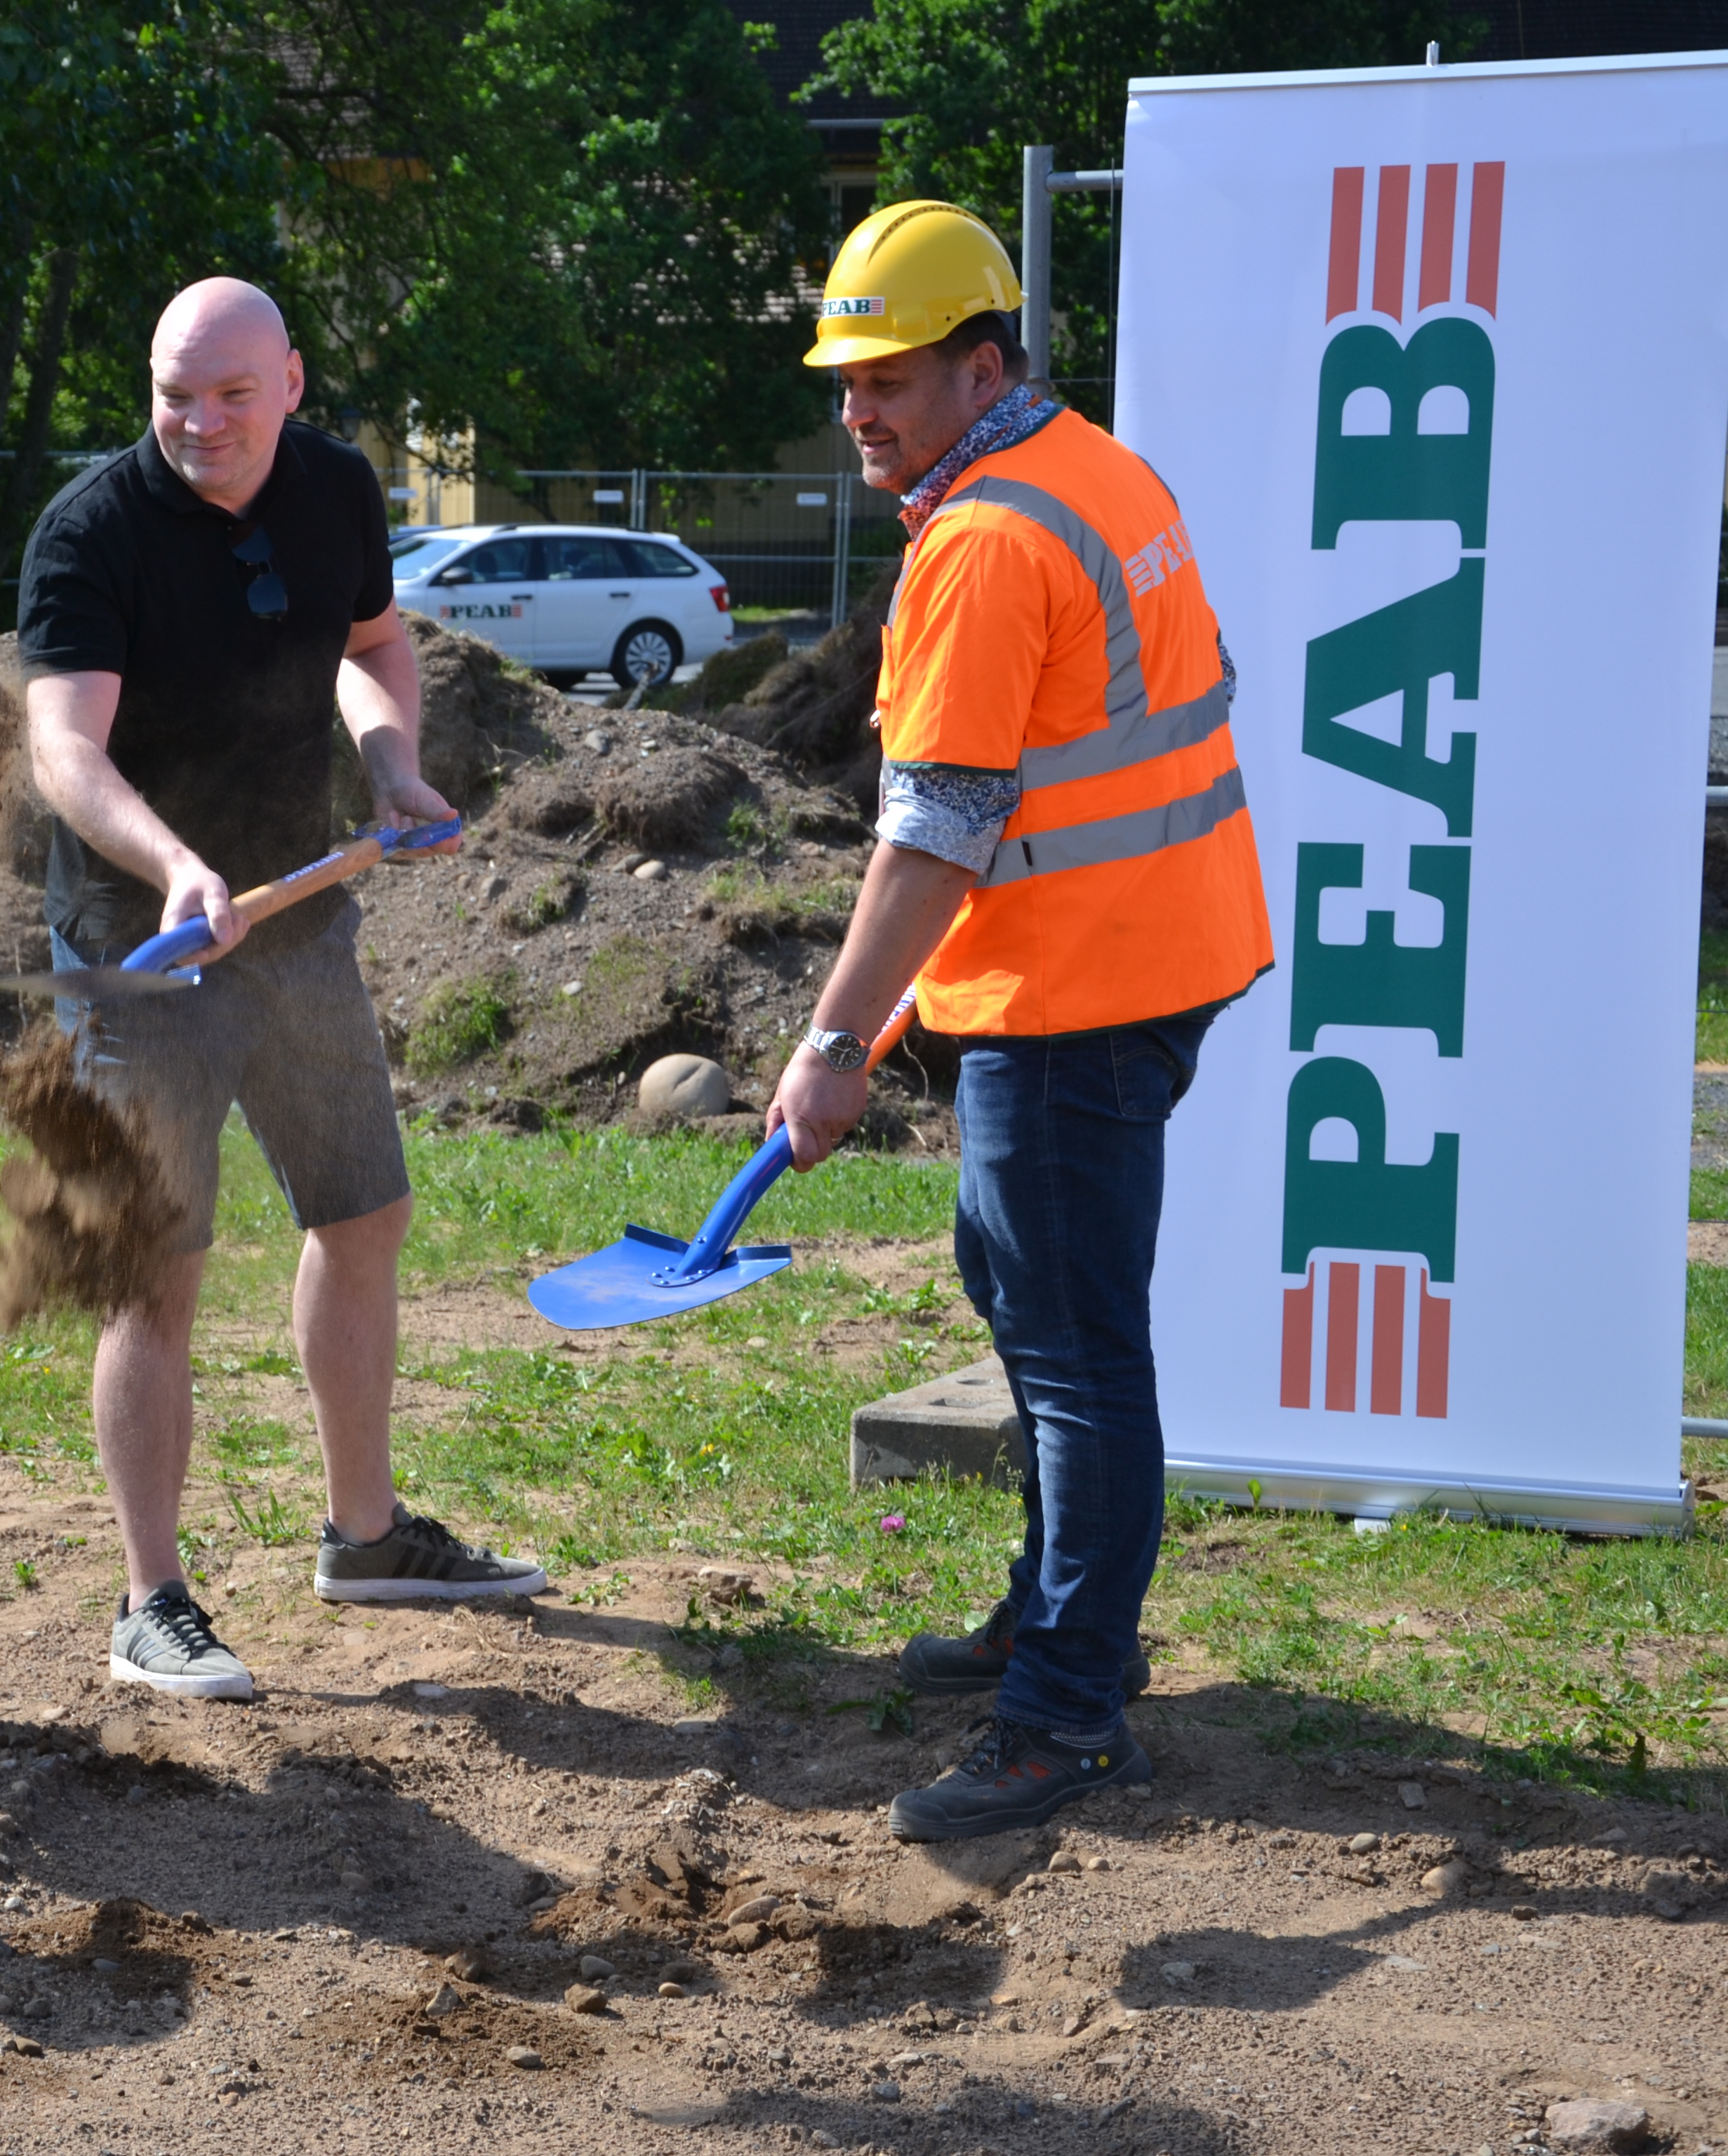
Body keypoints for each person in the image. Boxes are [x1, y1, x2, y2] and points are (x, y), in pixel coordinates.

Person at [771, 204, 1272, 1839]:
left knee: (1070, 1356)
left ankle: (1064, 1707)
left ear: (982, 362)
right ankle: (1055, 1620)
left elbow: (938, 828)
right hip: (1150, 956)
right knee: (1024, 1290)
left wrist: (836, 1045)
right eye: (847, 381)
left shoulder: (986, 539)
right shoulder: (1093, 470)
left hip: (1081, 995)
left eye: (893, 378)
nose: (862, 409)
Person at [18, 276, 547, 1703]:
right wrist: (176, 865)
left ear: (294, 385)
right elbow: (68, 752)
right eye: (172, 393)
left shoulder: (334, 492)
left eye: (231, 396)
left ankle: (365, 1535)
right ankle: (151, 1601)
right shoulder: (93, 532)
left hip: (302, 918)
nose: (198, 422)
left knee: (363, 1213)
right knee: (157, 1275)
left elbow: (374, 644)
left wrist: (388, 759)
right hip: (144, 950)